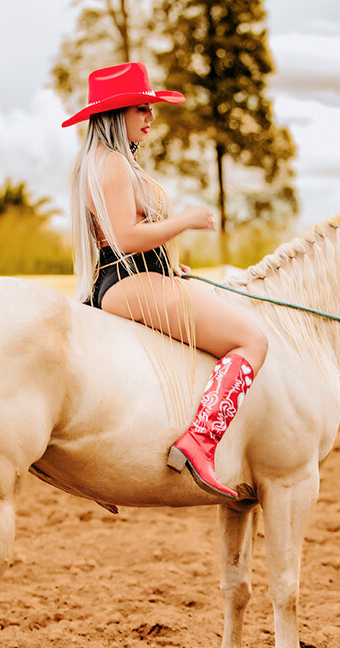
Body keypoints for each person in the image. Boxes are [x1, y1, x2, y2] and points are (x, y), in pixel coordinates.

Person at [62, 62, 268, 500]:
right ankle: (201, 442)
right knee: (251, 341)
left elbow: (121, 237)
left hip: (126, 277)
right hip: (128, 281)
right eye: (141, 109)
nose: (150, 117)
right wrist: (185, 221)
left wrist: (166, 263)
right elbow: (124, 237)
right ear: (116, 114)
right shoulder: (112, 164)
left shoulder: (103, 163)